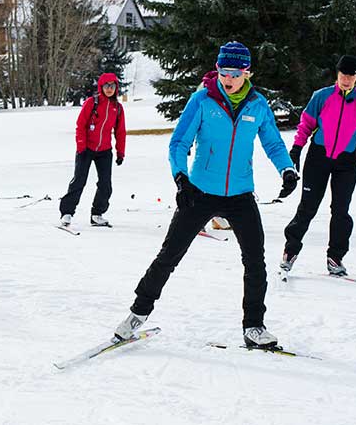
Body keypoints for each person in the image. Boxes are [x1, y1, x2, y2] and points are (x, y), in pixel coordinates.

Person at [113, 41, 299, 348]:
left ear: (247, 72)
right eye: (223, 71)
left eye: (234, 72)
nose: (227, 78)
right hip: (199, 191)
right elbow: (178, 144)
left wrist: (287, 170)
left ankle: (254, 326)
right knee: (169, 255)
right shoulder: (202, 100)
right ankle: (137, 314)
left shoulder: (258, 105)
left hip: (240, 194)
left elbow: (274, 144)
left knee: (256, 261)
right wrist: (181, 179)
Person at [280, 55, 356, 277]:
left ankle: (335, 257)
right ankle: (290, 251)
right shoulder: (322, 97)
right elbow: (306, 124)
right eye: (343, 74)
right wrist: (296, 149)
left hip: (346, 162)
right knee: (307, 207)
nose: (346, 79)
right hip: (318, 158)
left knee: (341, 211)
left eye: (351, 75)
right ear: (337, 74)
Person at [59, 73, 126, 227]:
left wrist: (120, 152)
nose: (109, 89)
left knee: (105, 184)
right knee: (79, 181)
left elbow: (120, 132)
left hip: (105, 151)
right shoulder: (92, 102)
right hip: (86, 149)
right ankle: (67, 212)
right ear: (101, 87)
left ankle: (97, 214)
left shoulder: (118, 108)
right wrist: (81, 146)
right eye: (106, 86)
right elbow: (80, 125)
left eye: (112, 86)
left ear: (116, 88)